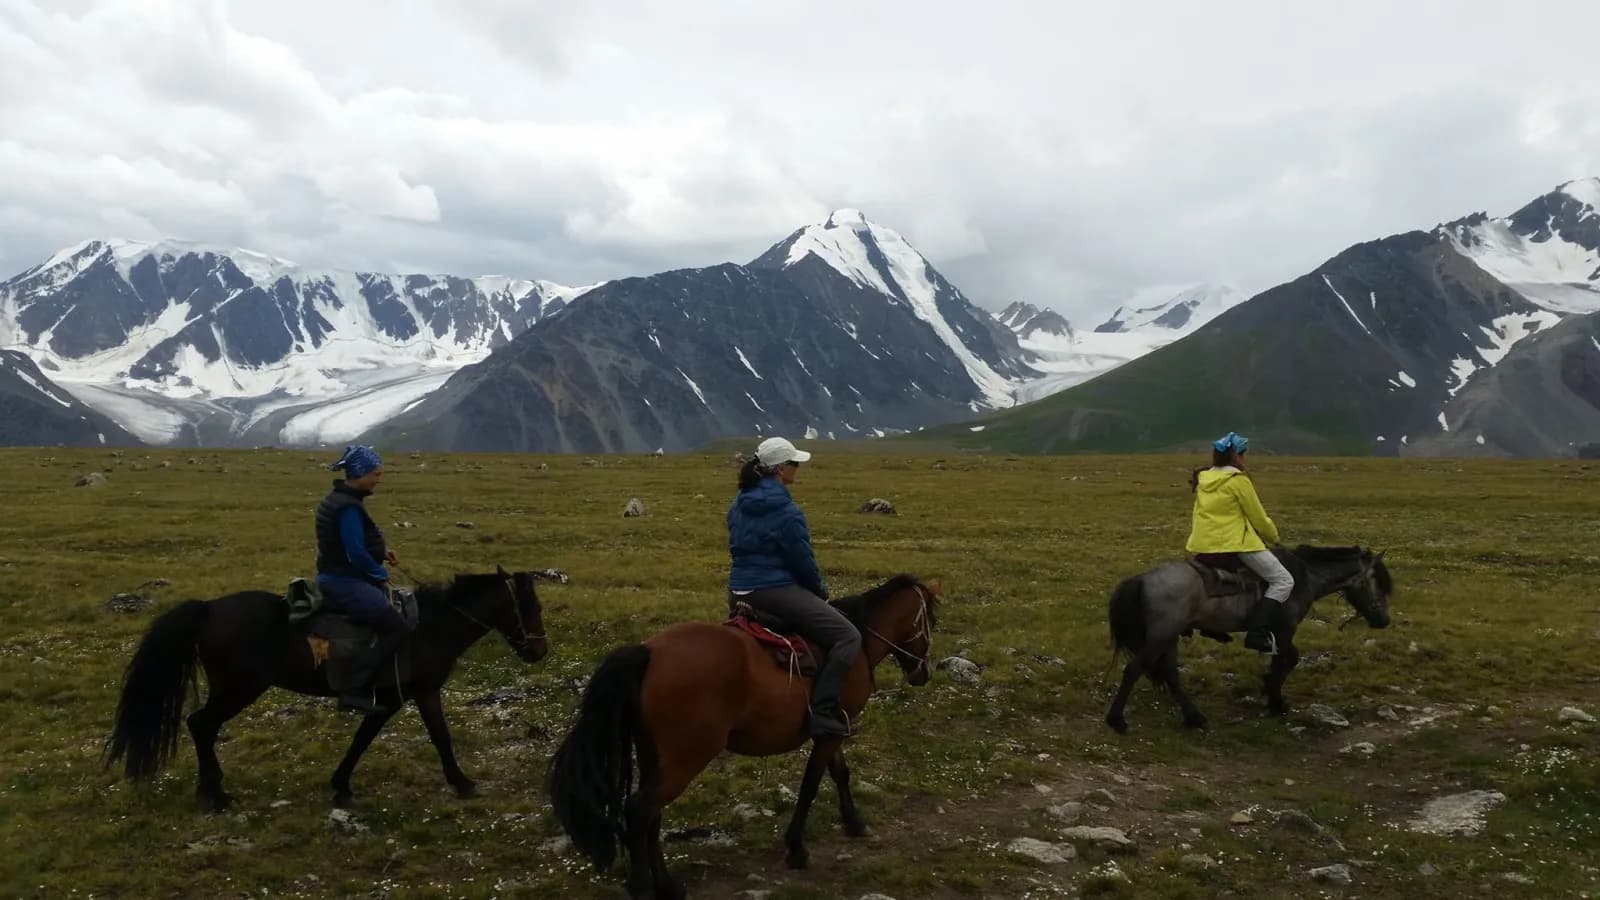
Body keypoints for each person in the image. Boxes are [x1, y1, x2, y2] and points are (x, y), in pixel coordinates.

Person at [727, 436, 860, 739]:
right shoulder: (788, 513)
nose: (798, 469)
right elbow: (802, 562)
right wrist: (819, 591)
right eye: (795, 463)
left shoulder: (738, 505)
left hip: (737, 590)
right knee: (847, 636)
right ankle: (824, 714)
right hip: (774, 590)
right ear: (780, 469)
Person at [314, 444, 410, 713]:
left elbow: (351, 544)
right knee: (396, 628)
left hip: (336, 575)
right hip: (344, 582)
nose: (379, 479)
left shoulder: (339, 499)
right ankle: (354, 690)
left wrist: (381, 552)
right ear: (361, 473)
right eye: (376, 474)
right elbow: (354, 552)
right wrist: (378, 572)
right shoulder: (348, 508)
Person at [1185, 431, 1294, 654]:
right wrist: (1274, 538)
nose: (1245, 458)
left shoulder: (1204, 478)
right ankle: (1257, 633)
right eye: (1243, 454)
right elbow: (1258, 517)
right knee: (1283, 581)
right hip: (1235, 544)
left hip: (1202, 545)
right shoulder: (1238, 481)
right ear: (1236, 456)